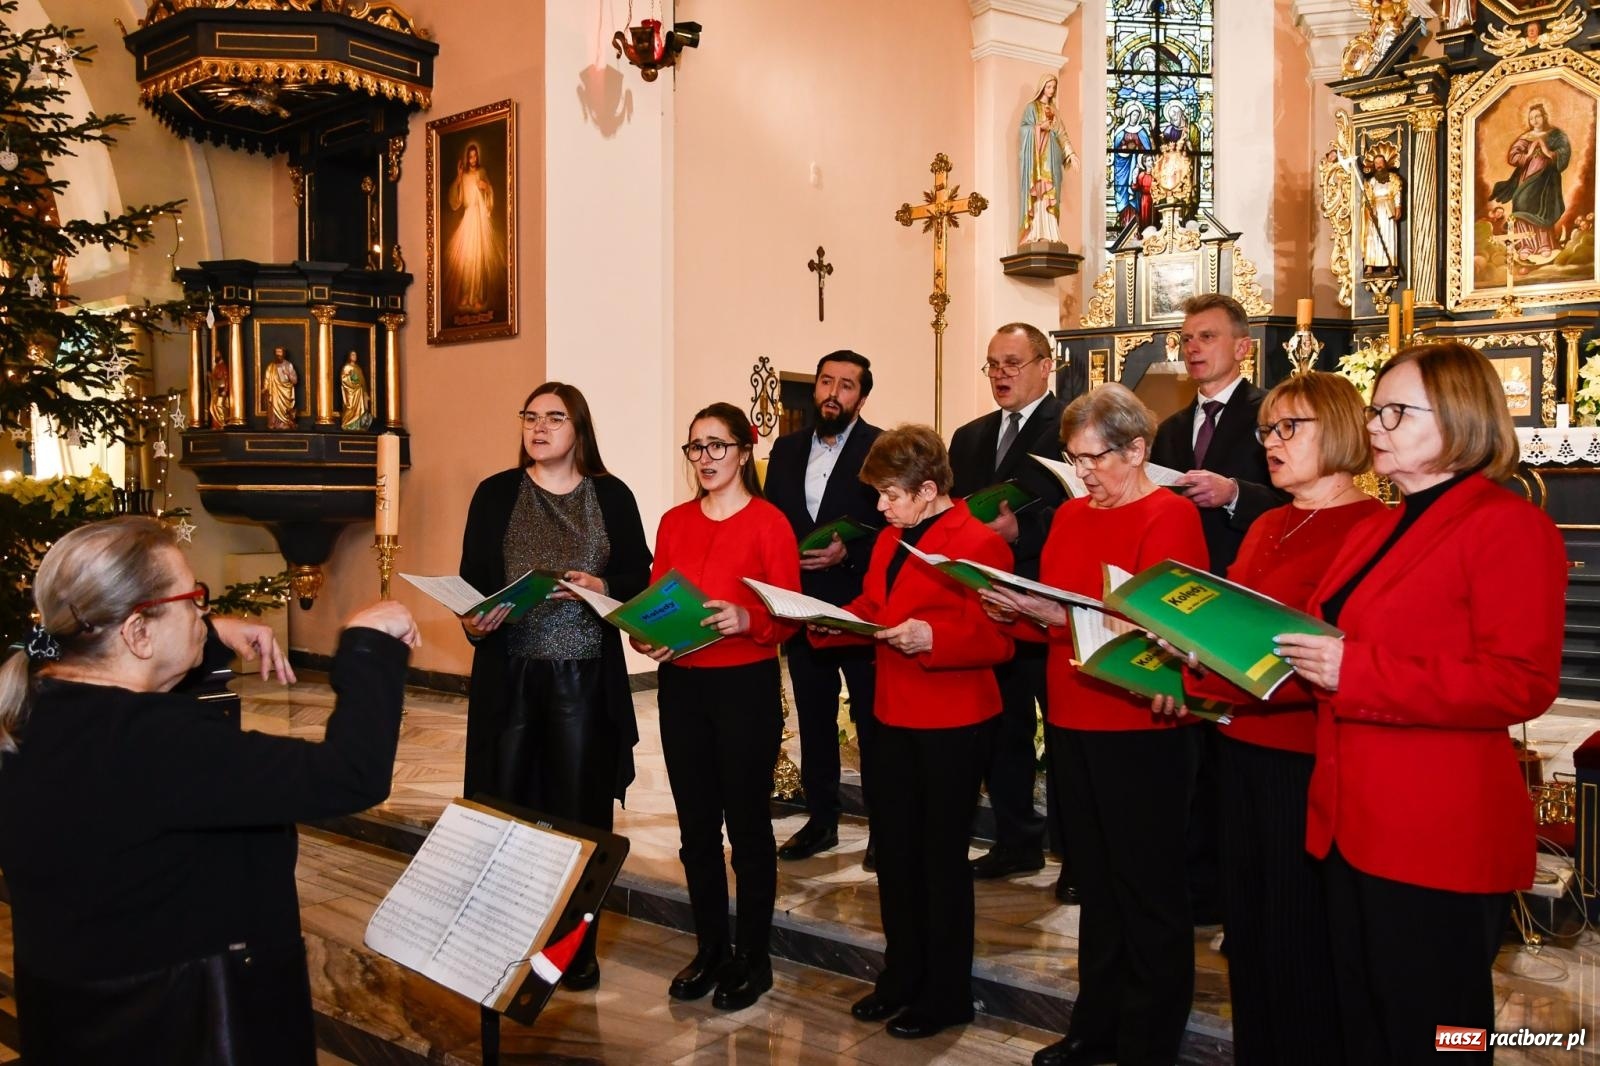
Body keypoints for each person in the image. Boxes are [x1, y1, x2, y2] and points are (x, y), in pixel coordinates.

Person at [0, 516, 419, 1065]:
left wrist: (210, 637)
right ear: (138, 631)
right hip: (182, 1027)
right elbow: (348, 774)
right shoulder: (155, 746)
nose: (205, 609)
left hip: (77, 1018)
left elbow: (136, 687)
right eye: (194, 598)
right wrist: (367, 645)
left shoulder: (35, 708)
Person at [1275, 343, 1567, 1063]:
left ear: (1461, 419)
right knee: (1368, 1024)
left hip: (1439, 832)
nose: (1374, 427)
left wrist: (1357, 671)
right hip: (1351, 820)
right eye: (1376, 411)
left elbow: (1519, 681)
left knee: (1444, 1035)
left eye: (1395, 412)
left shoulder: (1506, 524)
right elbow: (1325, 646)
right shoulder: (1375, 525)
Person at [1153, 372, 1385, 1066]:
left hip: (1307, 755)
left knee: (1298, 937)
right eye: (1267, 430)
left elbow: (1321, 648)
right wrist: (1186, 651)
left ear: (1342, 431)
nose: (1272, 444)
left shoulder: (1373, 527)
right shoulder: (1266, 524)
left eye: (1292, 428)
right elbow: (1238, 630)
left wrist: (1214, 663)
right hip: (1241, 746)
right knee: (1249, 930)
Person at [977, 384, 1208, 1066]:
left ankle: (1149, 1039)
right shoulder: (1073, 517)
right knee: (1096, 885)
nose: (1084, 474)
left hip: (1140, 722)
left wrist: (1054, 619)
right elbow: (1062, 612)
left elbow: (1167, 628)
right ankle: (1095, 1024)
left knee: (1149, 892)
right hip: (1074, 715)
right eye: (1074, 460)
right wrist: (1015, 612)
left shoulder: (1169, 517)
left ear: (1137, 449)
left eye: (1095, 459)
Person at [812, 425, 1013, 1040]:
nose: (880, 507)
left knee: (940, 859)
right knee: (895, 854)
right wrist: (833, 621)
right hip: (893, 710)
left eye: (890, 495)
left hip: (954, 718)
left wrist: (937, 638)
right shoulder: (891, 539)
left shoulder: (979, 543)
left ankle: (946, 993)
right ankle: (901, 975)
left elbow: (1004, 638)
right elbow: (879, 605)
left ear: (929, 489)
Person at [458, 381, 652, 990]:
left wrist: (601, 587)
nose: (539, 428)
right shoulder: (495, 494)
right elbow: (471, 583)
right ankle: (504, 936)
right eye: (530, 417)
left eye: (555, 418)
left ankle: (576, 946)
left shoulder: (610, 494)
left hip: (585, 678)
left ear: (579, 430)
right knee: (506, 807)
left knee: (580, 814)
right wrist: (473, 618)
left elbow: (636, 570)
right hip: (510, 676)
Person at [637, 402, 800, 1011]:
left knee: (749, 830)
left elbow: (789, 618)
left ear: (744, 450)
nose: (705, 459)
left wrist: (747, 618)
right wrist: (644, 636)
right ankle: (710, 948)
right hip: (683, 686)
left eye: (717, 446)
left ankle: (753, 958)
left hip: (744, 689)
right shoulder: (675, 522)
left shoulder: (769, 524)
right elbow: (657, 602)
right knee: (696, 829)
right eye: (695, 448)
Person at [1151, 292, 1282, 925]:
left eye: (1205, 337)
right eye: (1186, 339)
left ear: (1242, 347)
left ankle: (1240, 896)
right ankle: (1198, 889)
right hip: (1183, 599)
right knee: (1192, 761)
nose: (1192, 349)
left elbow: (1292, 501)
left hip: (1244, 594)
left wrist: (1233, 493)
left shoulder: (1272, 415)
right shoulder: (1172, 428)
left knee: (1238, 762)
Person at [948, 323, 1066, 885]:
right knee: (1004, 730)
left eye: (1013, 363)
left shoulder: (1071, 426)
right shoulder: (969, 437)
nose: (1000, 374)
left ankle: (1075, 856)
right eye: (992, 364)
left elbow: (1082, 507)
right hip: (987, 600)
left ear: (1047, 365)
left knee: (1063, 733)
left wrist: (1022, 530)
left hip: (1050, 598)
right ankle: (1016, 840)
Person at [763, 351, 883, 863]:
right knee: (813, 716)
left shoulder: (880, 447)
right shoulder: (786, 449)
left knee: (872, 719)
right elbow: (771, 519)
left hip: (858, 603)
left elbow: (896, 523)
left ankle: (884, 829)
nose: (833, 393)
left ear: (863, 395)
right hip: (800, 602)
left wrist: (848, 551)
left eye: (847, 385)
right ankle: (822, 820)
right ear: (814, 388)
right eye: (826, 382)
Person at [1491, 101, 1571, 262]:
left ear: (1544, 117)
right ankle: (1526, 245)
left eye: (1537, 116)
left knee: (1542, 208)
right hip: (1526, 177)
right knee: (1521, 203)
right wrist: (1528, 153)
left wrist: (1546, 150)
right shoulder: (1525, 137)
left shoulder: (1556, 135)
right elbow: (1513, 156)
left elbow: (1564, 153)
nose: (1534, 120)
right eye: (1531, 118)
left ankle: (1544, 245)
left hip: (1547, 179)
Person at [1018, 74, 1077, 246]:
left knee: (1052, 194)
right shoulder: (1031, 107)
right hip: (1038, 160)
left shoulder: (1054, 111)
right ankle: (1036, 231)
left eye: (1053, 87)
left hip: (1053, 158)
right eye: (1048, 87)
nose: (1051, 91)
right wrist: (1038, 128)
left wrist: (1071, 154)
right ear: (1042, 87)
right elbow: (1023, 131)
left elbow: (1062, 135)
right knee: (1040, 193)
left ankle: (1052, 233)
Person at [446, 141, 502, 319]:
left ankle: (476, 296)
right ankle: (465, 295)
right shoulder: (463, 176)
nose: (472, 159)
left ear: (477, 156)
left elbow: (489, 193)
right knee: (467, 258)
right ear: (466, 158)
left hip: (479, 217)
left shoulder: (481, 173)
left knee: (477, 256)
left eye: (475, 155)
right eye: (470, 156)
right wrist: (458, 176)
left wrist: (487, 188)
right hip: (469, 216)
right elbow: (457, 200)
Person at [1361, 152, 1403, 273]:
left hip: (1388, 209)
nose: (1379, 165)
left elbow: (1397, 192)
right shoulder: (1373, 181)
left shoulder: (1393, 178)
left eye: (1381, 162)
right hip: (1375, 210)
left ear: (1385, 163)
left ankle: (1389, 265)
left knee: (1388, 235)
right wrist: (1369, 207)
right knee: (1372, 237)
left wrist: (1398, 207)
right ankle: (1370, 265)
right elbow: (1368, 196)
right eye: (1376, 163)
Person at [262, 346, 298, 430]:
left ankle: (285, 423)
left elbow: (295, 380)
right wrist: (265, 387)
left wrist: (288, 374)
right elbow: (267, 379)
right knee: (273, 406)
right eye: (276, 354)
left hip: (285, 392)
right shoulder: (271, 367)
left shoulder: (288, 365)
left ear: (283, 355)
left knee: (285, 409)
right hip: (274, 391)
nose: (278, 356)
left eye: (280, 354)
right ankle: (274, 423)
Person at [340, 351, 373, 431]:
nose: (354, 356)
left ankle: (358, 425)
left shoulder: (358, 368)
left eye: (355, 354)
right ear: (349, 356)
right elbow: (344, 379)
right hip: (351, 392)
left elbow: (363, 381)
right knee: (350, 407)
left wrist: (365, 392)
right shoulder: (346, 367)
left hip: (360, 392)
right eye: (352, 354)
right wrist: (354, 383)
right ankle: (348, 424)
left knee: (360, 409)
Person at [208, 353, 229, 430]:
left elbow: (226, 379)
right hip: (216, 390)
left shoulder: (223, 366)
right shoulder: (217, 366)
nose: (216, 356)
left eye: (217, 354)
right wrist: (211, 377)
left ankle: (222, 423)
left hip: (221, 389)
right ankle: (217, 424)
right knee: (212, 407)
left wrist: (225, 390)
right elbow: (215, 378)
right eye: (216, 354)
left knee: (219, 406)